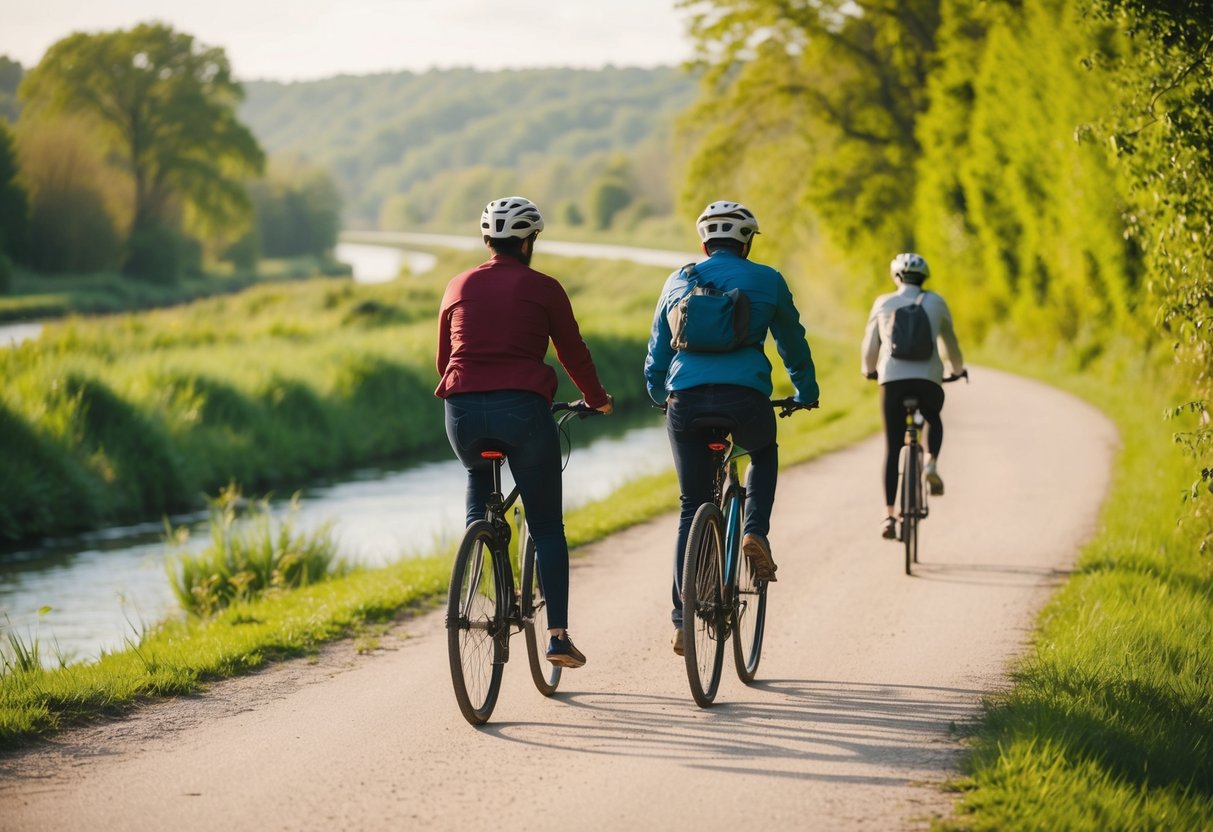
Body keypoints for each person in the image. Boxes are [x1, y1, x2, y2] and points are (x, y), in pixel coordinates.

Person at [435, 196, 613, 668]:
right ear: (529, 241)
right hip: (523, 410)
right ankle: (557, 637)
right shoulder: (544, 287)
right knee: (546, 524)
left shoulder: (458, 284)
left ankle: (480, 546)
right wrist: (596, 399)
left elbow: (443, 359)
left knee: (478, 476)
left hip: (462, 411)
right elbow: (573, 353)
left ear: (486, 240)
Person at [644, 200, 819, 656]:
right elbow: (791, 341)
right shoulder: (767, 280)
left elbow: (658, 349)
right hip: (746, 400)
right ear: (746, 243)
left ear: (704, 242)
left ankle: (683, 619)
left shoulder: (678, 280)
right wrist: (806, 391)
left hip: (687, 401)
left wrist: (659, 393)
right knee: (761, 451)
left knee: (691, 504)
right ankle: (754, 531)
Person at [860, 252, 965, 541]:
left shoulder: (884, 303)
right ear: (924, 278)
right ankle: (930, 461)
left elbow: (870, 348)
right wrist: (957, 370)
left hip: (892, 380)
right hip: (928, 379)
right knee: (933, 416)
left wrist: (869, 371)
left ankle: (889, 515)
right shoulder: (936, 302)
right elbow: (950, 343)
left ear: (897, 277)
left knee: (893, 447)